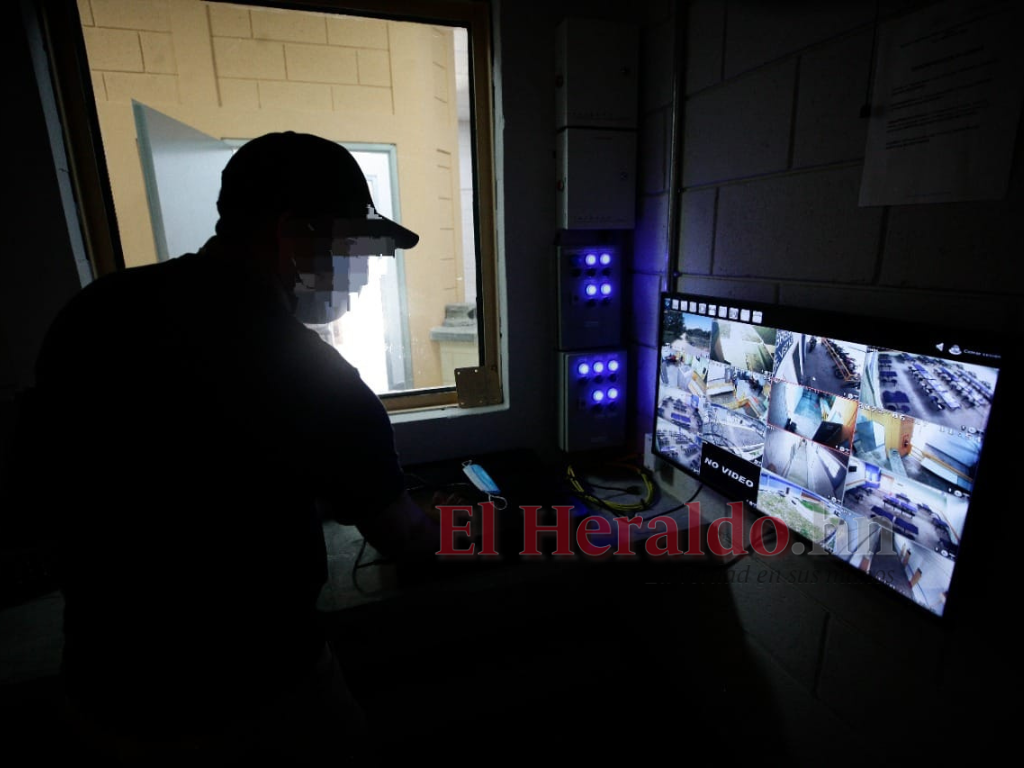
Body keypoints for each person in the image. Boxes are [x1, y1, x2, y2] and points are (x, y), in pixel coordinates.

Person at [28, 131, 439, 764]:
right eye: (353, 247)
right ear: (293, 232)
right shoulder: (310, 370)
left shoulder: (94, 311)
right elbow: (403, 537)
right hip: (258, 703)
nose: (357, 274)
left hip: (101, 695)